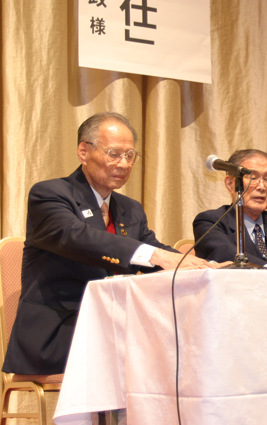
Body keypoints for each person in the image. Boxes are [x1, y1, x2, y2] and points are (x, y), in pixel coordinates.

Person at [2, 112, 222, 375]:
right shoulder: (50, 194)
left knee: (187, 340)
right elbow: (77, 237)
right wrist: (157, 256)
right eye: (114, 153)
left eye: (130, 156)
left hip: (115, 323)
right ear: (84, 152)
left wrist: (202, 266)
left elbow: (153, 249)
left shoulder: (130, 208)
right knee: (154, 351)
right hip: (60, 330)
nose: (124, 163)